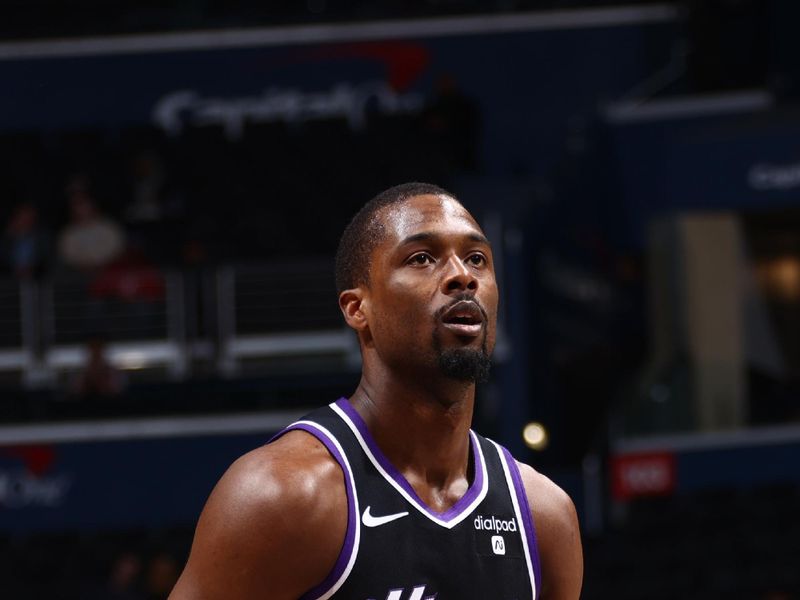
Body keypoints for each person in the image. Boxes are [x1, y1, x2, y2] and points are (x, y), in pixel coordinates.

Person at [170, 182, 583, 599]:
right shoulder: (281, 496)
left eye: (477, 259)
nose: (462, 275)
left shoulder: (543, 517)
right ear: (357, 308)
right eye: (422, 258)